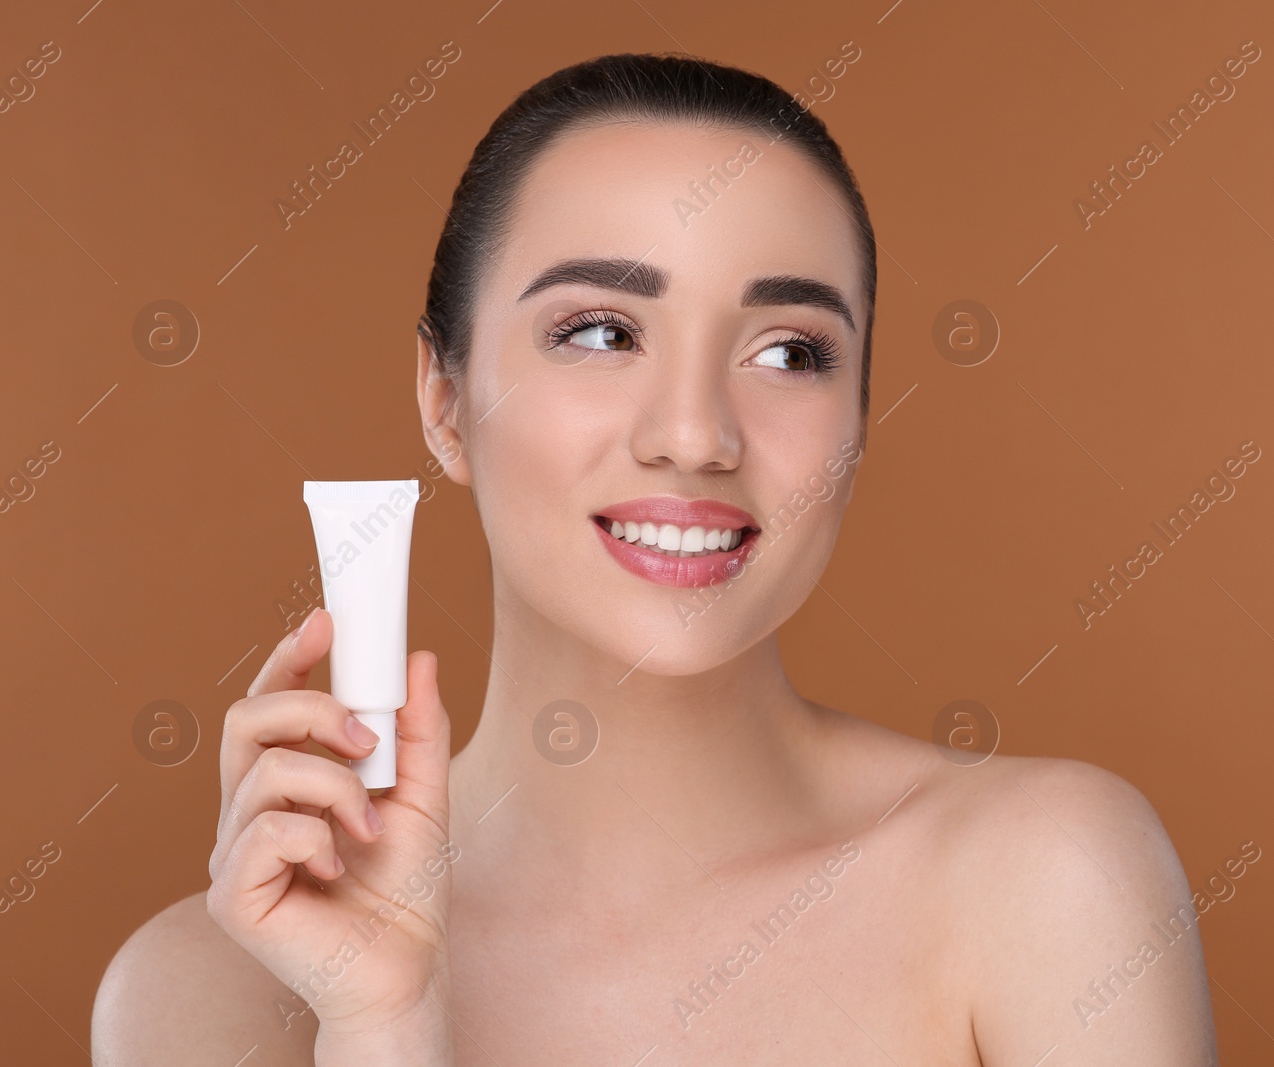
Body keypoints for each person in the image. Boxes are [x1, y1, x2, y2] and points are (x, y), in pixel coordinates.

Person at [93, 52, 1216, 1065]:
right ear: (444, 401)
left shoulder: (1046, 881)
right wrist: (383, 1021)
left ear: (860, 420)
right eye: (599, 332)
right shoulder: (210, 991)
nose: (694, 432)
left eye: (789, 351)